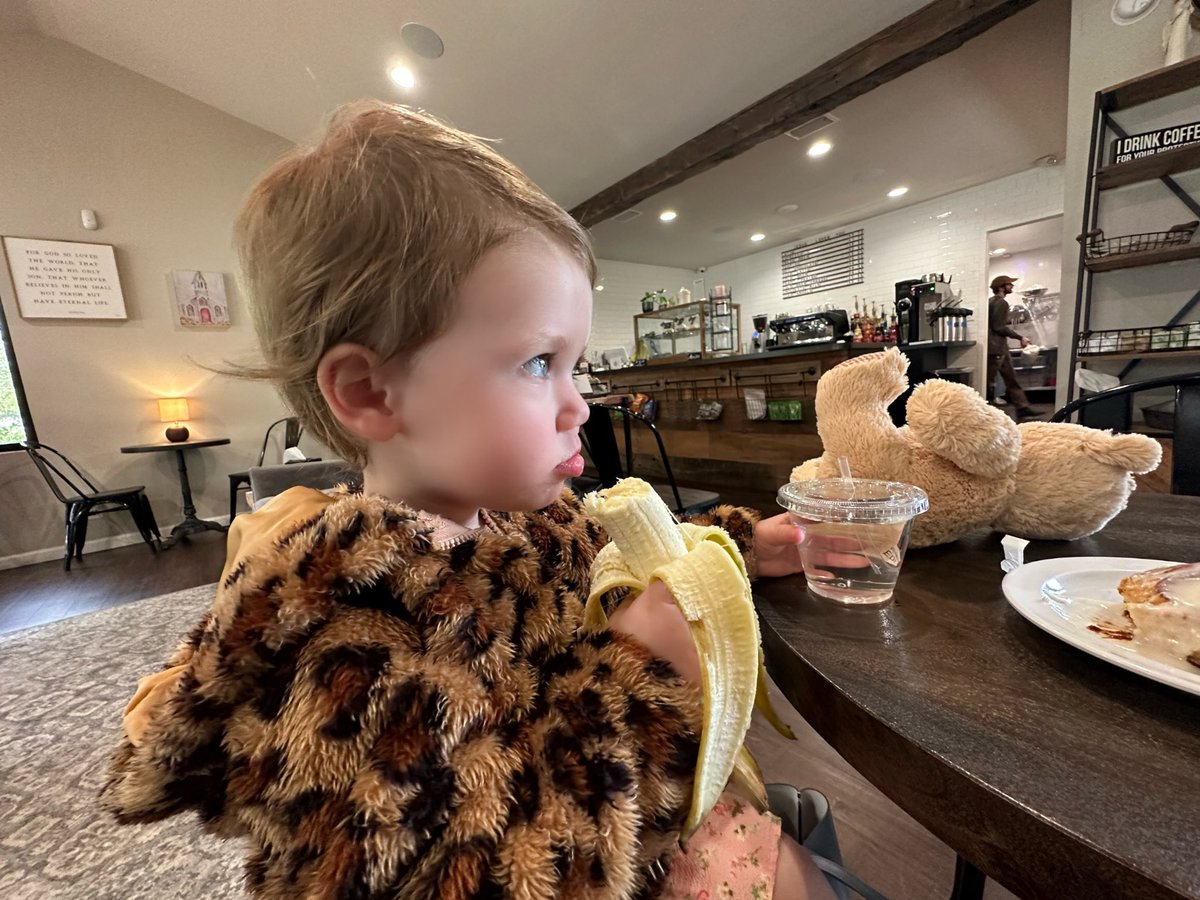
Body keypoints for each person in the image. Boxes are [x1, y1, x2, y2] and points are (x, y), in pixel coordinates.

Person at [99, 101, 834, 900]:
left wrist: (741, 542)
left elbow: (626, 555)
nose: (578, 401)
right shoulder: (347, 627)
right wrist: (641, 680)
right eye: (537, 363)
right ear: (371, 392)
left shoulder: (529, 520)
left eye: (575, 362)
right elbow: (480, 874)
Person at [986, 275, 1037, 420]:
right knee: (989, 382)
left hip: (999, 347)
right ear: (1001, 286)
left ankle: (1023, 408)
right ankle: (985, 413)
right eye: (1009, 284)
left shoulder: (991, 302)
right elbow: (999, 327)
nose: (1012, 287)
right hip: (996, 348)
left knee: (1010, 379)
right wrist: (1020, 337)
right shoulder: (1001, 303)